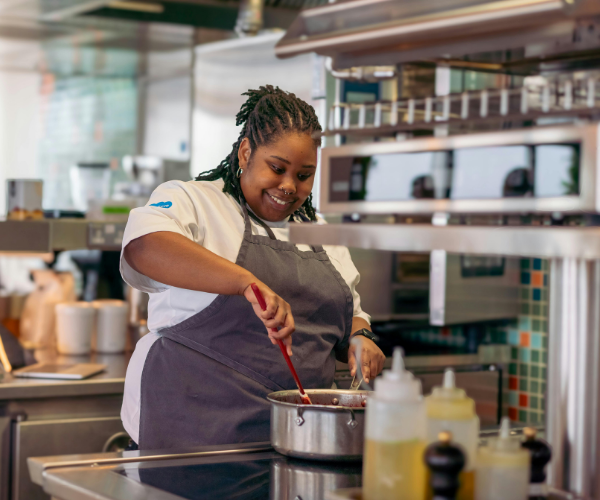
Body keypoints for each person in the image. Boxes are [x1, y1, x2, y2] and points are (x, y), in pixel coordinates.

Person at [120, 85, 385, 450]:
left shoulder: (318, 230)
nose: (289, 186)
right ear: (246, 152)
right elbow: (144, 246)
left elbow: (349, 315)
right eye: (277, 168)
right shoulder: (195, 201)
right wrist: (244, 281)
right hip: (193, 437)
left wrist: (361, 339)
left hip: (300, 438)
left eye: (304, 175)